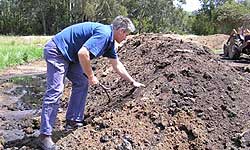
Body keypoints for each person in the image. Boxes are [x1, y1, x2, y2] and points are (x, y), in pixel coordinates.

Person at [39, 16, 145, 150]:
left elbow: (117, 65)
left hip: (70, 55)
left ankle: (73, 121)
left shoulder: (109, 42)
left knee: (81, 82)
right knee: (56, 90)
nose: (126, 38)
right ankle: (45, 136)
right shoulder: (104, 34)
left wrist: (133, 81)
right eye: (126, 34)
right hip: (57, 51)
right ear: (121, 31)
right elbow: (83, 53)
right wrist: (91, 75)